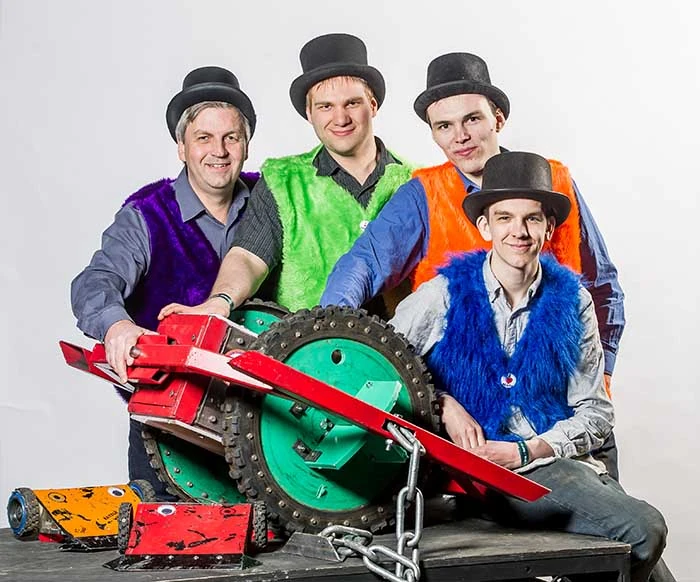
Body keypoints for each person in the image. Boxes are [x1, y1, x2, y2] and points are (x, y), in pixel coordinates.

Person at [321, 52, 624, 477]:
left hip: (565, 419)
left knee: (608, 513)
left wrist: (596, 379)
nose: (460, 136)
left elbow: (603, 287)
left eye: (472, 119)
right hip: (473, 425)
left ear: (497, 118)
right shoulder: (423, 194)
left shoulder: (554, 183)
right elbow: (363, 265)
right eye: (444, 126)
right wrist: (328, 342)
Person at [389, 151, 670, 582]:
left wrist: (528, 450)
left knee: (647, 557)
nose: (518, 232)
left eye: (531, 219)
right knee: (645, 529)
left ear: (548, 228)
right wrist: (442, 402)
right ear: (485, 226)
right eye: (504, 218)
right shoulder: (441, 294)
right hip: (478, 477)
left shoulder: (573, 300)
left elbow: (595, 411)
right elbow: (383, 362)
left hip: (549, 464)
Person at [70, 66, 258, 496]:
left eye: (231, 137)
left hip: (264, 433)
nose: (219, 151)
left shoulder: (271, 203)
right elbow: (94, 282)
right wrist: (117, 326)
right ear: (181, 147)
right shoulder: (145, 215)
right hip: (167, 433)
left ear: (246, 145)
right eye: (204, 138)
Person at [158, 33, 414, 320]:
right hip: (305, 344)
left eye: (352, 103)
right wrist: (221, 300)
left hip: (399, 347)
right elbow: (247, 257)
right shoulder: (283, 181)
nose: (340, 118)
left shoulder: (417, 180)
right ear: (309, 113)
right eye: (325, 106)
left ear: (373, 105)